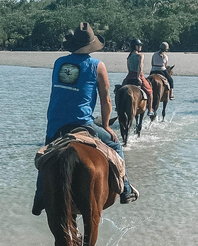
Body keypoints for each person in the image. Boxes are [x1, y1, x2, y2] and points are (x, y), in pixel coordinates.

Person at [32, 23, 139, 216]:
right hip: (82, 123)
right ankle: (125, 189)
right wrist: (106, 126)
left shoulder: (59, 63)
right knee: (115, 145)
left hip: (55, 124)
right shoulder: (97, 66)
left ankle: (39, 197)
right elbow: (106, 99)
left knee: (46, 157)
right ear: (92, 45)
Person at [122, 38, 153, 115]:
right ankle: (150, 110)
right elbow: (140, 66)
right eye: (139, 45)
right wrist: (138, 77)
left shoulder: (129, 56)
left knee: (121, 88)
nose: (140, 46)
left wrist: (130, 75)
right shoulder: (140, 55)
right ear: (135, 46)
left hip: (130, 75)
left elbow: (129, 68)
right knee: (149, 91)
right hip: (138, 75)